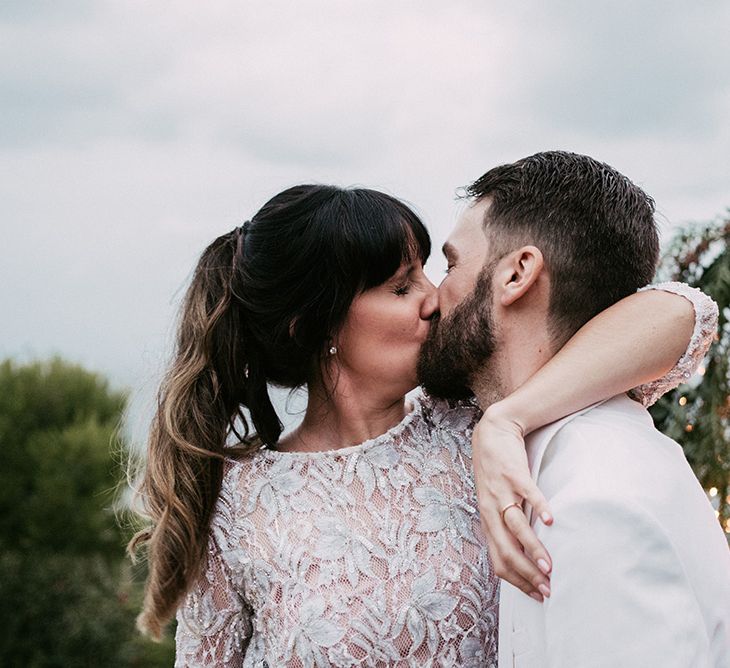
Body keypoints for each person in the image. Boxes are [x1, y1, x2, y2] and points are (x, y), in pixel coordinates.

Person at [128, 184, 714, 667]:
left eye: (428, 275)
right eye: (402, 286)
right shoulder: (236, 503)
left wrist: (507, 421)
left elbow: (689, 316)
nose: (435, 299)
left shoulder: (476, 421)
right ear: (315, 326)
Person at [418, 151, 730, 667]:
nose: (433, 297)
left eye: (451, 264)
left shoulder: (590, 500)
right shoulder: (578, 448)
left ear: (517, 274)